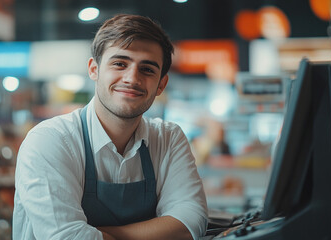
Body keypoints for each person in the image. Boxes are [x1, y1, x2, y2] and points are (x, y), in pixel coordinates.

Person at [13, 14, 208, 240]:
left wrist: (95, 234)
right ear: (94, 69)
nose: (131, 78)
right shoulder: (50, 140)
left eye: (147, 69)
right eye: (119, 64)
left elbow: (191, 222)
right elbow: (65, 236)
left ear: (161, 84)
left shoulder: (168, 138)